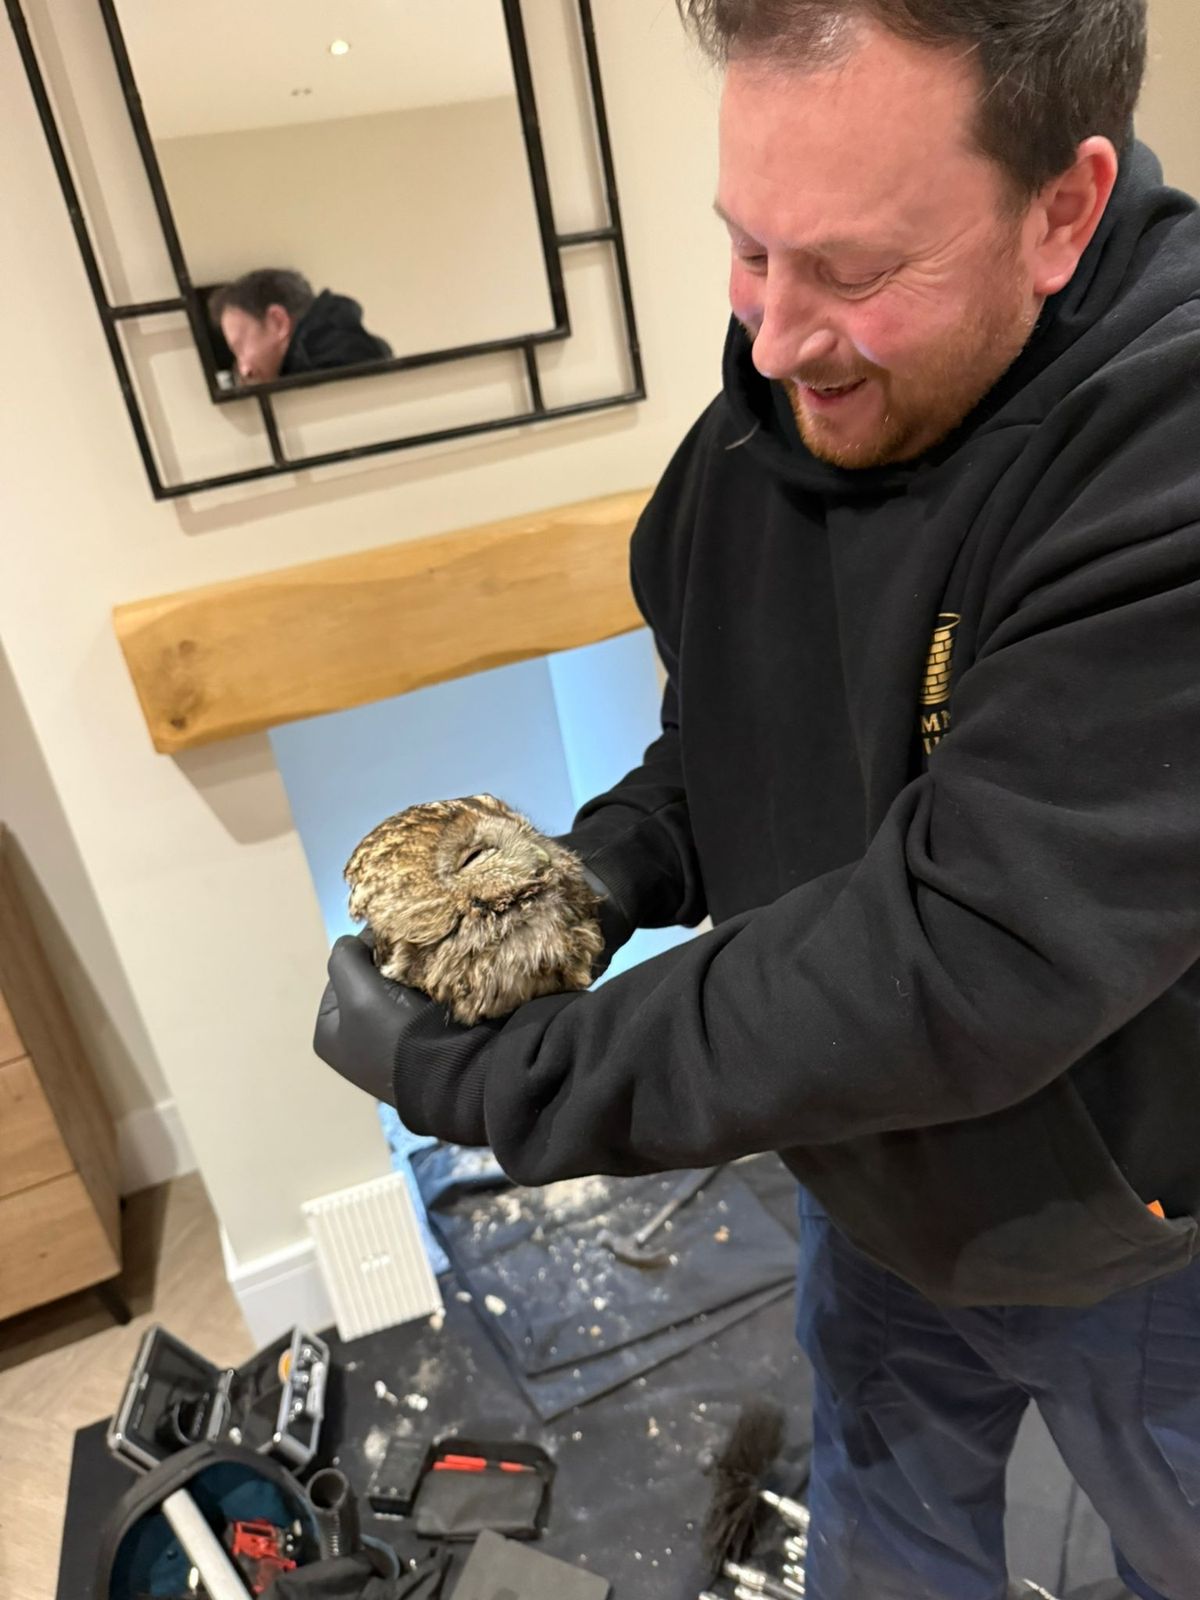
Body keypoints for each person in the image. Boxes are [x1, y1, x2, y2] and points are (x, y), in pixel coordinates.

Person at [314, 2, 1200, 1595]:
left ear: (1061, 209)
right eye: (748, 250)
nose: (777, 337)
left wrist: (507, 1080)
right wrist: (586, 881)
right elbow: (731, 749)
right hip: (864, 1179)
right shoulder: (778, 413)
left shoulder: (1169, 459)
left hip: (1133, 1233)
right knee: (887, 1538)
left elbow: (959, 952)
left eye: (853, 271)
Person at [208, 268, 392, 385]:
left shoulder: (328, 369)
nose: (244, 369)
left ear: (278, 322)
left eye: (240, 347)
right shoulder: (349, 346)